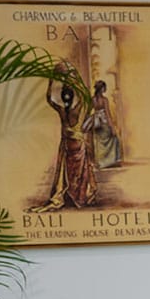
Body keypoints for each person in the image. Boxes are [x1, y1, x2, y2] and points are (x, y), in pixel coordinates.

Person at [30, 70, 97, 212]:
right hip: (77, 143)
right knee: (77, 174)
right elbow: (87, 98)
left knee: (69, 173)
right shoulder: (79, 108)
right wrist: (76, 78)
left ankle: (73, 196)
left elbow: (49, 99)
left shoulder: (62, 110)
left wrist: (50, 81)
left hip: (67, 143)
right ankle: (79, 196)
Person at [83, 79, 122, 169]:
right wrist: (112, 127)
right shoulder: (104, 100)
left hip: (96, 123)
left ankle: (101, 162)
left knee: (99, 144)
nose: (105, 89)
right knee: (114, 139)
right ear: (101, 89)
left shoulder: (92, 100)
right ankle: (109, 162)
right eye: (104, 87)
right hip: (103, 122)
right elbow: (108, 115)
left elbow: (87, 112)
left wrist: (91, 119)